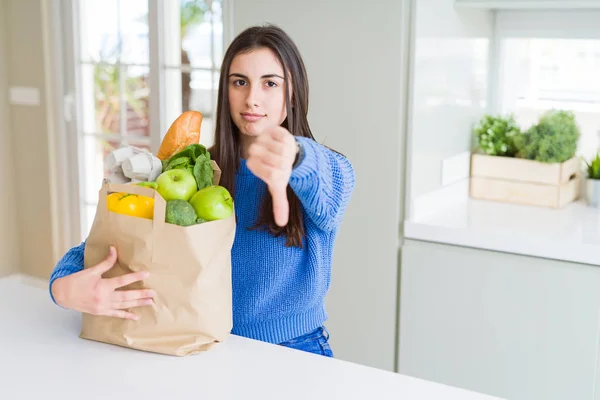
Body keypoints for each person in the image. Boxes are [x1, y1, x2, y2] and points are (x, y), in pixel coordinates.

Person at [49, 24, 355, 358]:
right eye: (240, 82)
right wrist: (63, 286)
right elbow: (121, 240)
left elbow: (331, 180)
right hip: (203, 346)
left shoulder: (321, 169)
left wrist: (295, 156)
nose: (252, 98)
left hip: (296, 351)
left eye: (270, 83)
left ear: (292, 93)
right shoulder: (197, 170)